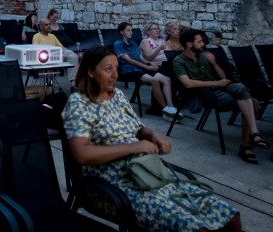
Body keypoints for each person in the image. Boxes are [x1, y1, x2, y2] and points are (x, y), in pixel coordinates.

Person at [62, 45, 241, 232]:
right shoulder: (79, 103)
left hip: (146, 174)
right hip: (112, 186)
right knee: (195, 228)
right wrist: (135, 147)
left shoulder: (117, 96)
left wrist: (153, 134)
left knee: (229, 215)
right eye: (108, 69)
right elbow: (81, 154)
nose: (115, 75)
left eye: (116, 68)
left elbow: (139, 128)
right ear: (90, 71)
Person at [174, 29, 269, 164]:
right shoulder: (179, 60)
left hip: (222, 86)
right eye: (199, 41)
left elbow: (223, 77)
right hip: (206, 93)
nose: (203, 44)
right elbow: (187, 84)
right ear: (189, 44)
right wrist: (216, 83)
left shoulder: (204, 56)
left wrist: (213, 63)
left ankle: (254, 132)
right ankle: (246, 145)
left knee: (241, 88)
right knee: (252, 102)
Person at [114, 22, 179, 121]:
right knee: (154, 81)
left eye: (131, 30)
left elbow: (139, 57)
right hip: (129, 70)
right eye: (128, 30)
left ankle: (171, 106)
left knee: (166, 79)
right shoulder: (118, 44)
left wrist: (149, 63)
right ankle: (164, 109)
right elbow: (129, 60)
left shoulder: (133, 43)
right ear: (121, 32)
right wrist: (146, 66)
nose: (131, 32)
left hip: (140, 68)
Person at [32, 19, 79, 86]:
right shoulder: (36, 36)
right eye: (46, 25)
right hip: (45, 58)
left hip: (56, 56)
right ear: (40, 27)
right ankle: (49, 85)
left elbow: (61, 48)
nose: (49, 26)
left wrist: (70, 52)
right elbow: (36, 50)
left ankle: (73, 83)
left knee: (73, 56)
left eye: (49, 24)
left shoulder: (52, 36)